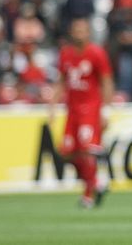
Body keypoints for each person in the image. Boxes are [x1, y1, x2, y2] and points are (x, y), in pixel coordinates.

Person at [49, 17, 114, 209]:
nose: (79, 34)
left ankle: (88, 194)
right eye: (76, 31)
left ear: (88, 33)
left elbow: (107, 81)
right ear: (71, 33)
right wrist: (52, 105)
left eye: (83, 30)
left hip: (90, 109)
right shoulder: (66, 54)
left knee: (87, 150)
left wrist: (106, 110)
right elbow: (61, 81)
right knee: (66, 152)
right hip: (72, 110)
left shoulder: (96, 53)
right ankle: (96, 183)